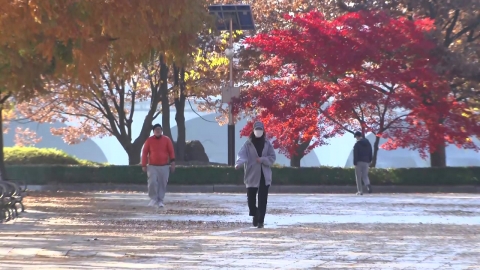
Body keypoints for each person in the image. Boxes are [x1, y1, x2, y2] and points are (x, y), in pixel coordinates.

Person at [235, 121, 276, 228]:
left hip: (264, 175)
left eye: (260, 129)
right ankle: (255, 213)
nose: (258, 131)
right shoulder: (248, 144)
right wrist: (238, 163)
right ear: (253, 131)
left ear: (263, 131)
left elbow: (272, 158)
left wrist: (263, 159)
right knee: (251, 199)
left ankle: (261, 220)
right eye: (257, 129)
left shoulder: (267, 143)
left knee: (263, 199)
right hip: (252, 174)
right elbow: (242, 155)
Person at [141, 124, 175, 208]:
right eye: (156, 129)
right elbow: (144, 152)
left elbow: (171, 151)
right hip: (152, 166)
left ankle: (160, 200)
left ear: (161, 130)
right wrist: (143, 164)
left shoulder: (166, 140)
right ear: (153, 131)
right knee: (152, 182)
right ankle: (153, 198)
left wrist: (173, 162)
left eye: (159, 129)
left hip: (164, 166)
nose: (158, 131)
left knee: (163, 183)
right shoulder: (149, 140)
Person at [353, 131, 373, 195]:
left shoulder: (357, 144)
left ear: (357, 136)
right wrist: (369, 160)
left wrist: (355, 162)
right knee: (365, 175)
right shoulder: (368, 143)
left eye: (355, 137)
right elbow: (370, 152)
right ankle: (368, 185)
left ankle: (360, 191)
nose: (356, 138)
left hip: (359, 162)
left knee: (358, 177)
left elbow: (355, 154)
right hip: (366, 162)